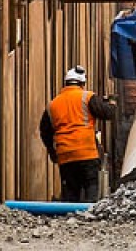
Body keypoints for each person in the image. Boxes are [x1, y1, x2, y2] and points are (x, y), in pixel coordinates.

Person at [39, 66, 112, 202]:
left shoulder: (52, 104)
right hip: (87, 153)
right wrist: (111, 103)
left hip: (65, 156)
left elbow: (44, 132)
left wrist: (52, 152)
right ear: (82, 83)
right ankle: (88, 217)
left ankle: (69, 219)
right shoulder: (88, 97)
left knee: (71, 193)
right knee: (91, 189)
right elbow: (107, 113)